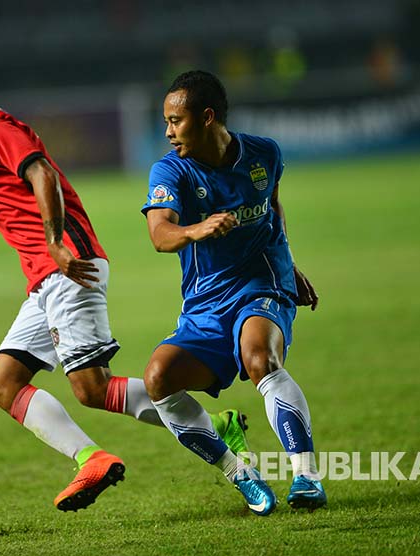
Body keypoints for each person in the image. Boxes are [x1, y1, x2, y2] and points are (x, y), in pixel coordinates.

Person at [0, 52, 249, 512]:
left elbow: (42, 174)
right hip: (45, 279)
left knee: (92, 388)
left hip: (68, 267)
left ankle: (210, 429)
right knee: (4, 383)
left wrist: (55, 241)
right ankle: (94, 456)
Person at [141, 70, 327, 516]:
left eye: (176, 121)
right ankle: (243, 475)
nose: (167, 132)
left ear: (207, 118)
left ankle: (307, 476)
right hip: (205, 303)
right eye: (165, 122)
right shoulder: (172, 170)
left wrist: (289, 262)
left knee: (259, 357)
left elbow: (271, 206)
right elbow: (160, 234)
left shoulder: (265, 154)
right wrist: (197, 228)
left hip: (263, 282)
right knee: (158, 379)